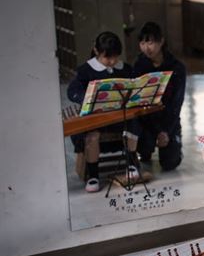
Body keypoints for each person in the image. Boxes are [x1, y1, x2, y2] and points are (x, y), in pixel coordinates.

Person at [67, 31, 141, 192]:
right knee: (92, 135)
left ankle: (131, 164)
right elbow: (72, 91)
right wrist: (85, 98)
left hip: (119, 118)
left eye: (115, 57)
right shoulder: (85, 70)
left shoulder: (125, 69)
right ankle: (93, 175)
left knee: (133, 125)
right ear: (96, 51)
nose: (112, 61)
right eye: (108, 58)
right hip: (96, 119)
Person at [133, 22, 186, 171]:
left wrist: (166, 131)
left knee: (170, 163)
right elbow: (138, 101)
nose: (146, 48)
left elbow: (177, 103)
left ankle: (169, 141)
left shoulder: (177, 67)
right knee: (144, 152)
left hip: (168, 119)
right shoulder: (139, 66)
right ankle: (146, 148)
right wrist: (156, 131)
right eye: (142, 43)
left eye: (150, 42)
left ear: (161, 41)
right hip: (147, 120)